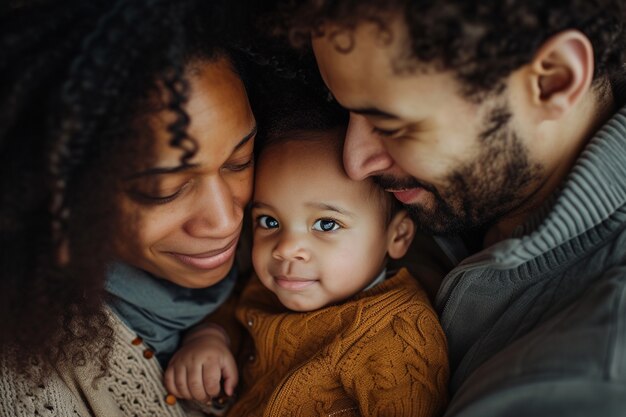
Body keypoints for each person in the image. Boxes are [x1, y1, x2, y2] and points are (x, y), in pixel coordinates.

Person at [272, 1, 626, 416]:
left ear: (553, 80)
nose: (354, 163)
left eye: (391, 126)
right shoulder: (452, 194)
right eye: (343, 106)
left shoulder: (590, 375)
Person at [0, 1, 258, 416]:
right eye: (163, 190)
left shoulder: (276, 229)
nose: (226, 221)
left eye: (239, 161)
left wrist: (214, 330)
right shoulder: (26, 377)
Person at [164, 85, 449, 416]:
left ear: (397, 236)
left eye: (326, 225)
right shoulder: (269, 287)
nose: (286, 249)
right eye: (269, 221)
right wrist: (210, 338)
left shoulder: (399, 341)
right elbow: (233, 307)